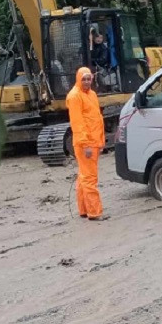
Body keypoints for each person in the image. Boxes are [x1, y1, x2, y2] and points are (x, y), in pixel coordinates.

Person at [67, 67, 108, 220]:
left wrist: (100, 142)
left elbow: (97, 120)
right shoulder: (75, 96)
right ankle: (95, 212)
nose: (86, 81)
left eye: (88, 78)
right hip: (86, 144)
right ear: (78, 79)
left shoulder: (92, 94)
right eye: (83, 79)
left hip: (93, 142)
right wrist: (86, 145)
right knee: (90, 178)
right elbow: (78, 124)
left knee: (84, 177)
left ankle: (84, 210)